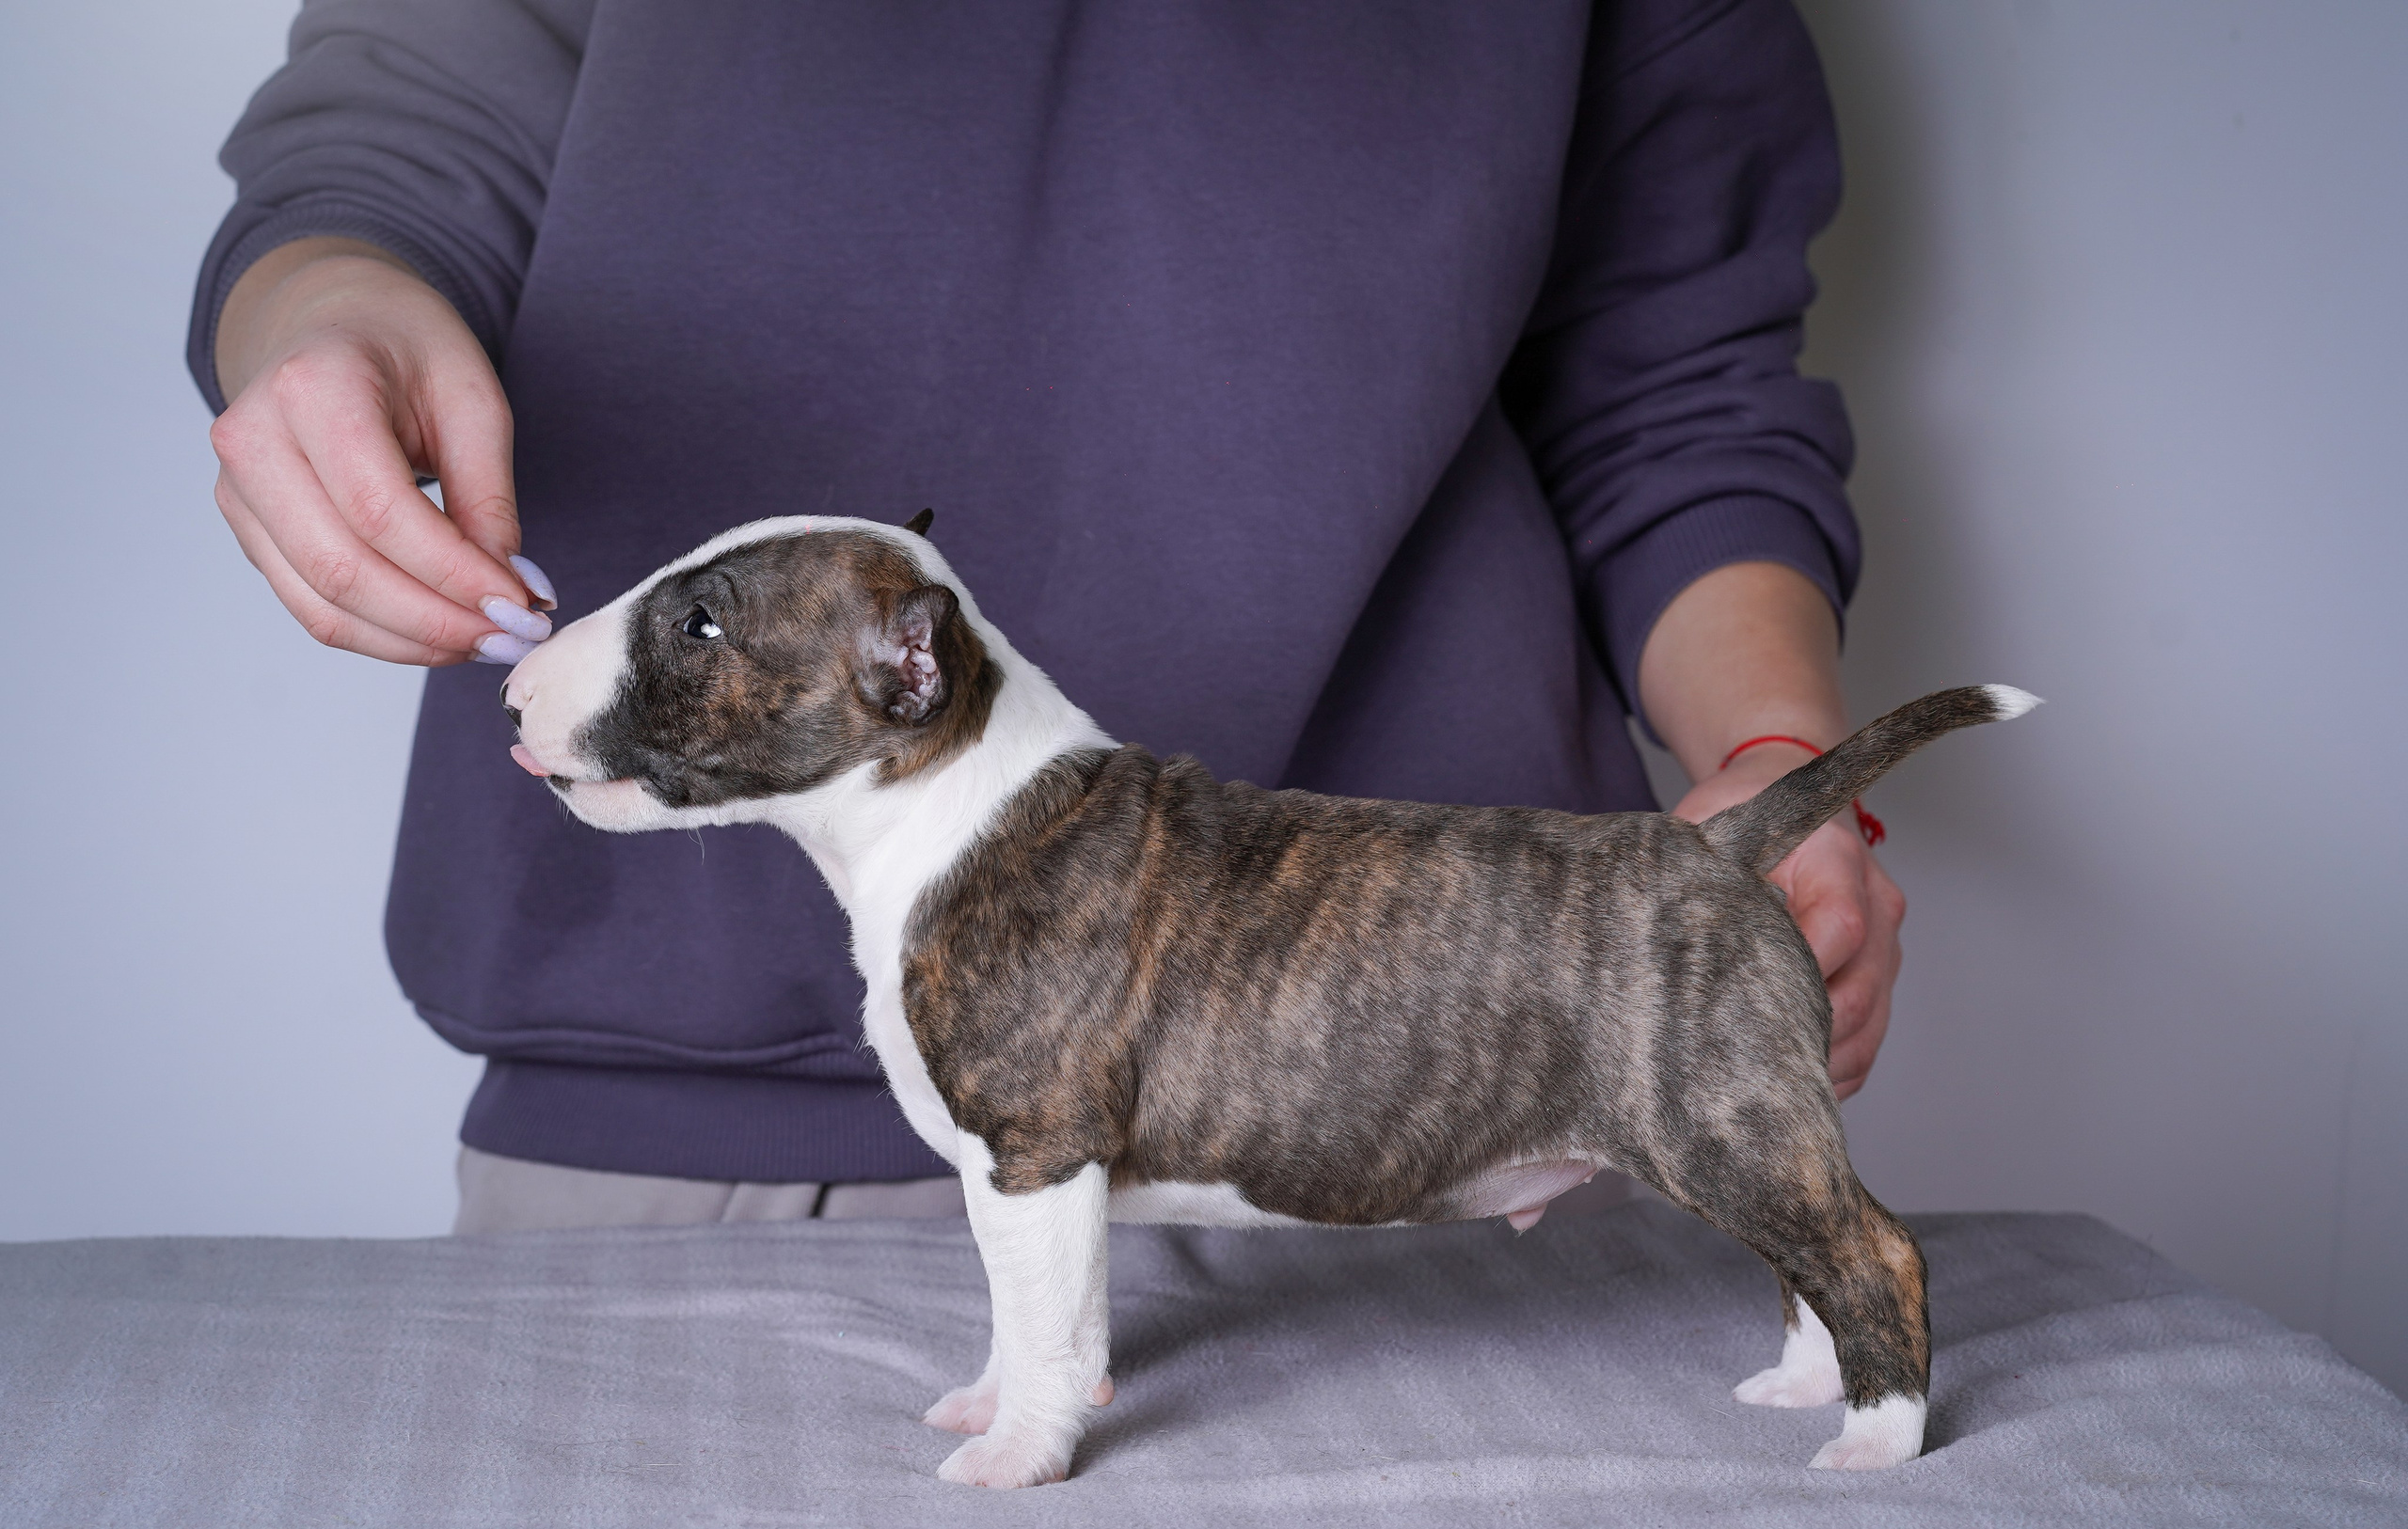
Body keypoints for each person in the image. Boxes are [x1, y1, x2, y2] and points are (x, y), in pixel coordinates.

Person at [192, 0, 1903, 1233]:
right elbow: (406, 125)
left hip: (1434, 1098)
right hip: (668, 1141)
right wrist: (326, 304)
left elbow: (1675, 388)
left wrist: (1780, 763)